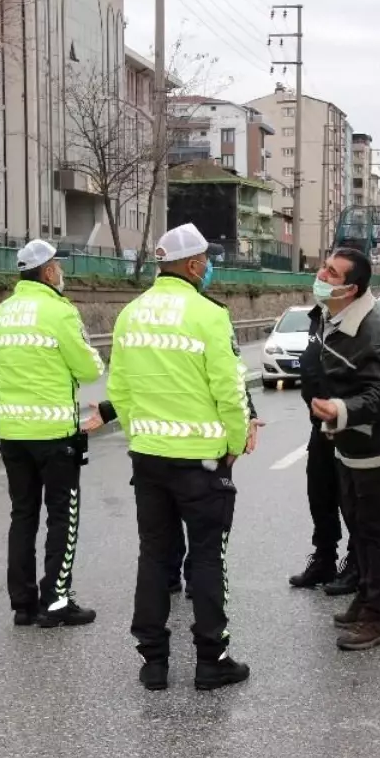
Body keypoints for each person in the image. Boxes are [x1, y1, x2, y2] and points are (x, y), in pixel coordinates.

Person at [105, 223, 252, 691]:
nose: (208, 267)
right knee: (207, 558)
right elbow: (229, 390)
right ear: (191, 265)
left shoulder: (130, 314)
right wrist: (234, 442)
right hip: (202, 462)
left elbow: (119, 390)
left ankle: (153, 662)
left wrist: (141, 435)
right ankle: (212, 660)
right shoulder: (209, 315)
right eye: (206, 260)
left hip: (148, 458)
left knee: (154, 556)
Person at [0, 239, 107, 629]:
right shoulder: (60, 311)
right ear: (48, 271)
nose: (61, 272)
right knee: (62, 517)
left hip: (12, 432)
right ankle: (55, 601)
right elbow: (90, 368)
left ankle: (23, 605)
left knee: (22, 515)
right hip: (54, 434)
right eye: (58, 265)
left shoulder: (1, 313)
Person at [309, 247, 380, 651]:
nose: (321, 275)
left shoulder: (374, 331)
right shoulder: (337, 316)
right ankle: (368, 597)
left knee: (376, 533)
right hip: (353, 443)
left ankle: (377, 617)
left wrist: (340, 410)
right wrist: (336, 419)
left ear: (351, 289)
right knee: (359, 525)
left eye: (332, 273)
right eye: (324, 267)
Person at [287, 303, 352, 591]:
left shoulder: (356, 319)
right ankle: (324, 559)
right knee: (320, 496)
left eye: (329, 279)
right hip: (320, 425)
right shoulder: (319, 318)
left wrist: (340, 414)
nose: (322, 282)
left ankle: (357, 564)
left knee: (352, 501)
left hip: (348, 425)